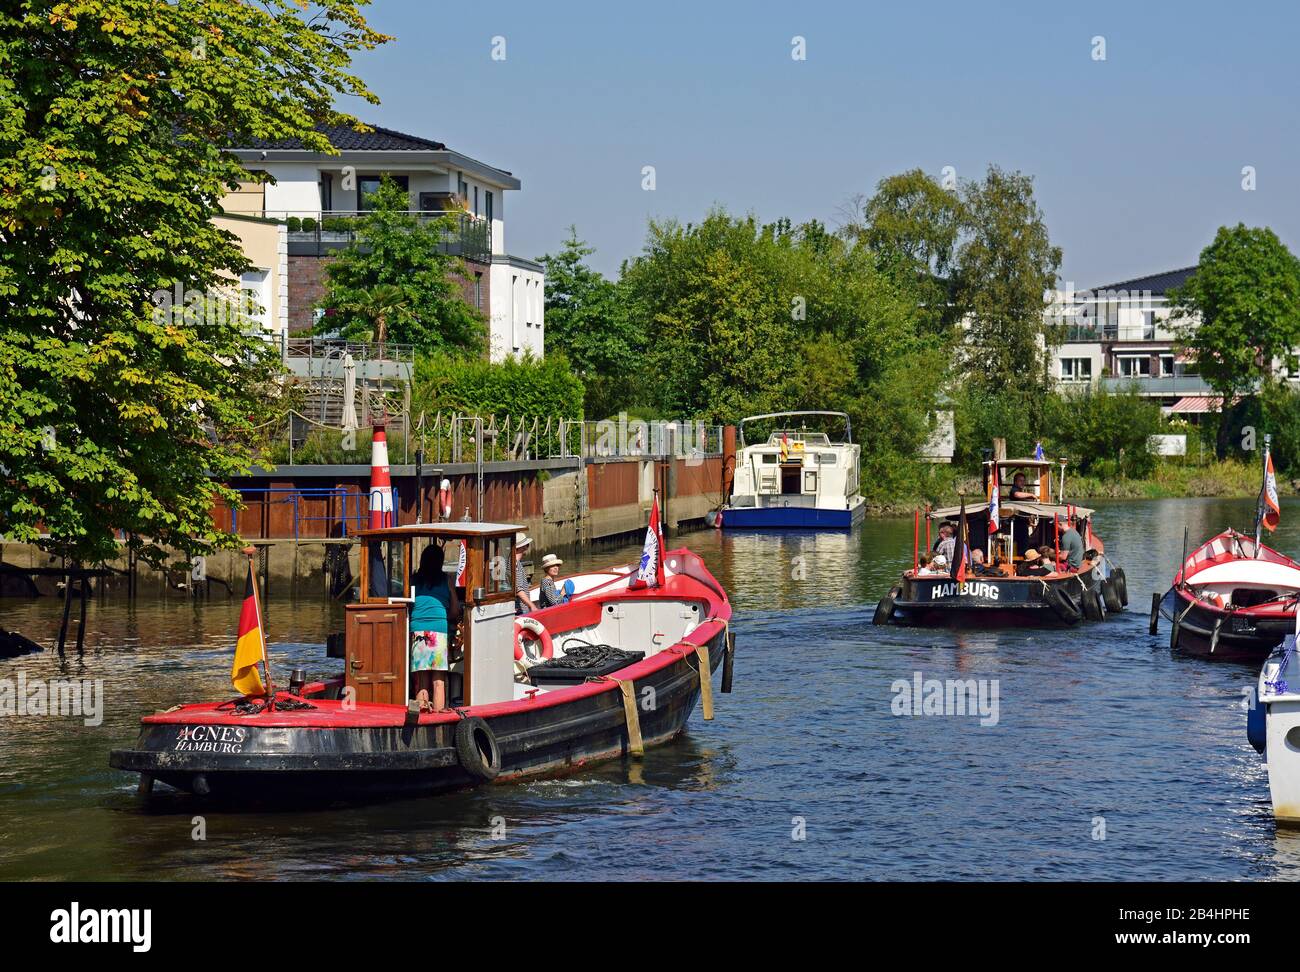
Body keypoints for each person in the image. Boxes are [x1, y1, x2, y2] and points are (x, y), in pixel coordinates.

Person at [410, 543, 460, 711]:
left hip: (418, 630)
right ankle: (438, 716)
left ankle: (422, 715)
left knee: (422, 679)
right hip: (439, 630)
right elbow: (454, 611)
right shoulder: (446, 580)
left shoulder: (414, 579)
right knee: (438, 681)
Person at [514, 535, 535, 614]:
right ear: (522, 547)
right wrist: (532, 606)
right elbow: (518, 589)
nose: (527, 548)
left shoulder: (513, 562)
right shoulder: (515, 565)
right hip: (520, 610)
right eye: (527, 545)